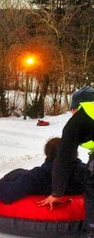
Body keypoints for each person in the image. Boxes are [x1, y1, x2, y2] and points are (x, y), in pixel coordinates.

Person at [37, 86, 94, 235]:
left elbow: (64, 158)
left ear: (75, 107)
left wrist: (56, 193)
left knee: (92, 186)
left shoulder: (77, 120)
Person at [0, 137, 85, 204]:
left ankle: (1, 182)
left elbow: (9, 194)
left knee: (17, 174)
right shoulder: (84, 172)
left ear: (48, 154)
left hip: (31, 183)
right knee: (19, 172)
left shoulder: (39, 176)